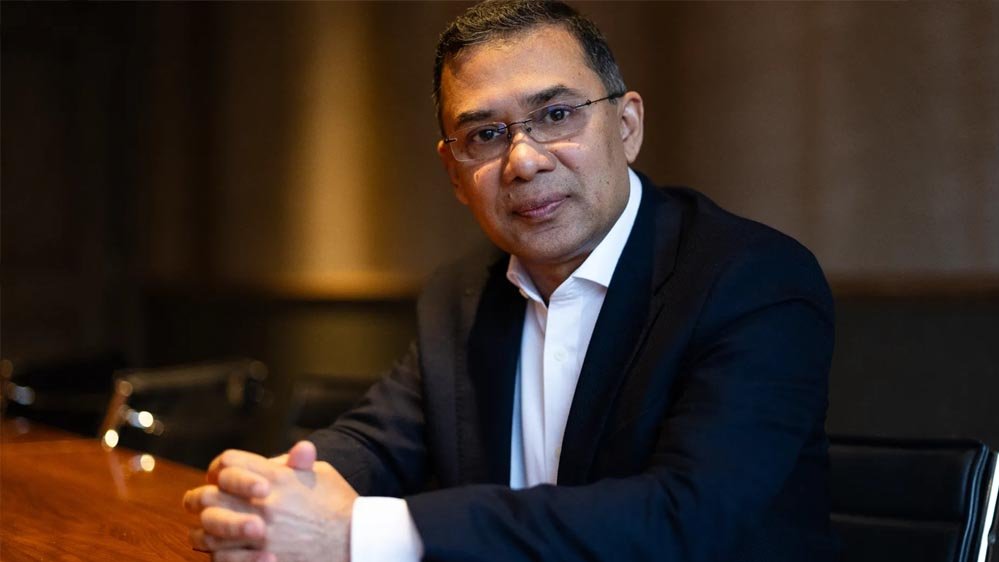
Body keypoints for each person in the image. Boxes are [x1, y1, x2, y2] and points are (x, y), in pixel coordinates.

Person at [182, 1, 837, 560]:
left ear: (627, 126)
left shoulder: (750, 280)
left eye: (556, 115)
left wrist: (366, 532)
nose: (523, 161)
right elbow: (378, 440)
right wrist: (270, 496)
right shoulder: (462, 293)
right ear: (454, 174)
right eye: (486, 134)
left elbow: (686, 517)